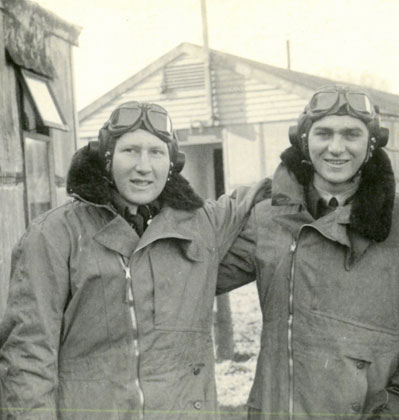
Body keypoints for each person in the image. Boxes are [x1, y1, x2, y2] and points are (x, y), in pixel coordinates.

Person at [0, 101, 269, 419]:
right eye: (130, 151)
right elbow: (28, 357)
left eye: (156, 152)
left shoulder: (201, 226)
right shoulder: (55, 235)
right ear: (106, 157)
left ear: (172, 163)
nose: (144, 166)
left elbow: (263, 206)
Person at [216, 85, 399, 418]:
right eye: (324, 134)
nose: (336, 148)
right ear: (303, 140)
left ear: (371, 143)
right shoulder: (267, 216)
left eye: (351, 135)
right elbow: (194, 278)